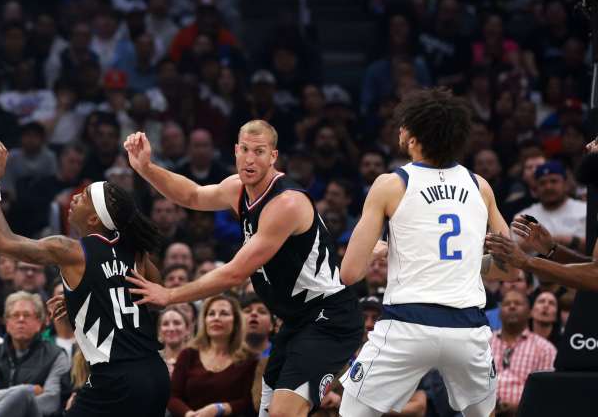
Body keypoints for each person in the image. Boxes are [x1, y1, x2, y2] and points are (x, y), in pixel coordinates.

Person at [124, 121, 360, 417]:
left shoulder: (286, 203)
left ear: (273, 156)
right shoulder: (237, 188)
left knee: (284, 413)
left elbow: (235, 273)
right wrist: (146, 168)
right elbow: (192, 195)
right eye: (245, 150)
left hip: (329, 317)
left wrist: (169, 295)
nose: (250, 159)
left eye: (259, 152)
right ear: (236, 151)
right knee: (267, 410)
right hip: (297, 320)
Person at [337, 88, 519, 417]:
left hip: (408, 324)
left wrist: (379, 253)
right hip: (467, 327)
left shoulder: (390, 184)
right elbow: (510, 270)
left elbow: (350, 273)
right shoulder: (480, 186)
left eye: (403, 125)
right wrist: (461, 264)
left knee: (352, 413)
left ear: (413, 134)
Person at [0, 142, 171, 416]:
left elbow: (1, 242)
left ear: (94, 219)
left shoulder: (70, 249)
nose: (74, 198)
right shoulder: (136, 254)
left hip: (116, 380)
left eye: (84, 197)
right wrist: (86, 299)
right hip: (155, 374)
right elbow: (157, 300)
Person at [167, 294, 257, 417]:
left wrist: (220, 409)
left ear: (236, 321)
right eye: (211, 314)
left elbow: (250, 402)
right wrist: (189, 414)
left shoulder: (249, 359)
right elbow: (173, 396)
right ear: (204, 320)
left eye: (224, 313)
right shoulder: (188, 354)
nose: (216, 318)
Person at [0, 292, 70, 416]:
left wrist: (6, 402)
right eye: (15, 315)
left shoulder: (56, 355)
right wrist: (27, 390)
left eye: (26, 315)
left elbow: (51, 402)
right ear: (7, 323)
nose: (21, 320)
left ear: (39, 322)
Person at [490, 290, 555, 413]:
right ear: (499, 313)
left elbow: (547, 393)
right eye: (507, 304)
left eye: (518, 303)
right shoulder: (485, 344)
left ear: (529, 312)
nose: (512, 306)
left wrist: (518, 407)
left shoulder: (545, 349)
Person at [157, 306, 193, 376]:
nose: (171, 328)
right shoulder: (152, 360)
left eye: (177, 323)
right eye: (165, 324)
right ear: (159, 332)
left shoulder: (197, 359)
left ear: (188, 329)